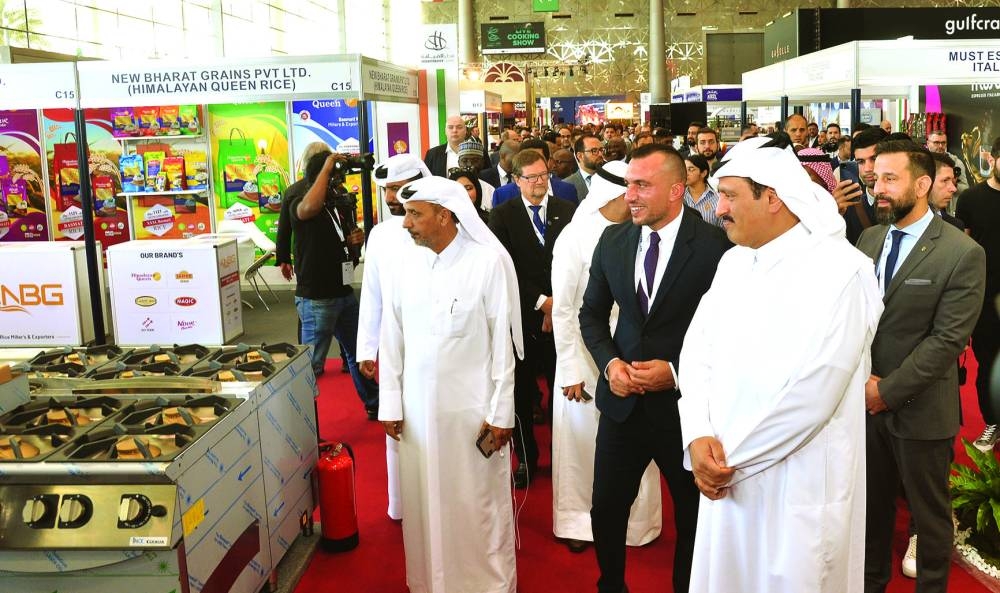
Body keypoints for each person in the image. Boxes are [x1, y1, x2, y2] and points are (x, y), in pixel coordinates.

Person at [677, 134, 883, 593]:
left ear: (772, 198)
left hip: (796, 486)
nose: (719, 208)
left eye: (730, 196)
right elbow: (696, 353)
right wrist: (698, 435)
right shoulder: (733, 263)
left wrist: (731, 462)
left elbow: (816, 395)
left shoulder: (842, 271)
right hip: (722, 474)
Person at [579, 144, 729, 593]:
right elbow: (590, 316)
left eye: (642, 185)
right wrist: (610, 365)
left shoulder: (716, 247)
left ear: (677, 190)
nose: (630, 195)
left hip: (686, 412)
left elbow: (729, 333)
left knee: (693, 514)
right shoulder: (613, 240)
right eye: (629, 184)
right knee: (606, 509)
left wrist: (676, 371)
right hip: (622, 406)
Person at [379, 175, 523, 593]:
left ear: (444, 216)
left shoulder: (486, 263)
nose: (406, 223)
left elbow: (502, 346)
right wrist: (391, 403)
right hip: (418, 417)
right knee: (425, 504)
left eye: (415, 214)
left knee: (476, 504)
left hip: (472, 415)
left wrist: (501, 413)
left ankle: (487, 584)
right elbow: (392, 336)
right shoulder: (405, 264)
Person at [857, 139, 985, 593]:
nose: (878, 188)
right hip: (862, 406)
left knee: (929, 518)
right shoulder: (869, 239)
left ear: (923, 184)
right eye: (876, 178)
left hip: (921, 409)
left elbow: (947, 340)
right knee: (870, 512)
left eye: (890, 179)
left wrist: (885, 391)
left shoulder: (961, 252)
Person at [550, 160, 662, 554]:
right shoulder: (575, 237)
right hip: (584, 355)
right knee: (584, 446)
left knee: (635, 441)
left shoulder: (643, 232)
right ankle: (579, 523)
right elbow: (564, 309)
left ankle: (637, 524)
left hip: (633, 354)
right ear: (613, 194)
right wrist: (570, 368)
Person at [490, 149, 577, 489]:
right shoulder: (502, 215)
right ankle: (526, 457)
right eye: (532, 177)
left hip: (564, 316)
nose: (540, 182)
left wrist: (558, 304)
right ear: (516, 180)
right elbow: (506, 267)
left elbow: (575, 263)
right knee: (523, 395)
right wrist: (542, 303)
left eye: (544, 175)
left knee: (562, 391)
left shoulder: (567, 211)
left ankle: (562, 457)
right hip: (523, 319)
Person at [356, 153, 431, 520]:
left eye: (398, 189)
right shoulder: (381, 235)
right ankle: (400, 503)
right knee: (395, 419)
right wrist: (366, 348)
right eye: (386, 189)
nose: (389, 197)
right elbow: (371, 295)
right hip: (393, 346)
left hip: (435, 344)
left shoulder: (443, 229)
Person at [289, 149, 379, 419]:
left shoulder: (336, 203)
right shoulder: (300, 200)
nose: (338, 183)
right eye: (332, 177)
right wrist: (327, 166)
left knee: (357, 353)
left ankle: (375, 403)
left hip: (343, 292)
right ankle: (302, 422)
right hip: (317, 298)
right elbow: (308, 210)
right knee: (311, 366)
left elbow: (342, 241)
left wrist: (353, 242)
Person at [956, 136, 1000, 453]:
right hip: (984, 298)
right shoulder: (971, 199)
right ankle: (992, 422)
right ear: (992, 159)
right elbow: (964, 248)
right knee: (987, 362)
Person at [492, 140, 579, 206]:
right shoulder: (502, 195)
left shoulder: (567, 190)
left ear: (548, 162)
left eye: (538, 159)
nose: (534, 164)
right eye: (528, 160)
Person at [423, 115, 488, 177]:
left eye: (459, 127)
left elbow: (487, 177)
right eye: (450, 127)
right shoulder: (432, 154)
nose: (454, 130)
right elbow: (425, 180)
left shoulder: (479, 152)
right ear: (445, 131)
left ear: (465, 130)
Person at [927, 152, 965, 231]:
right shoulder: (902, 222)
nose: (954, 189)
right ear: (924, 182)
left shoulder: (955, 227)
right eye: (945, 180)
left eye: (952, 181)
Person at [682, 154, 721, 226]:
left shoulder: (717, 199)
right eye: (684, 169)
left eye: (691, 169)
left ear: (703, 173)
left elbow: (721, 229)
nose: (685, 173)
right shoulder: (679, 197)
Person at [565, 134, 606, 201]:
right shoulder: (567, 184)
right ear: (580, 156)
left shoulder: (611, 177)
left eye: (601, 150)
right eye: (594, 151)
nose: (600, 154)